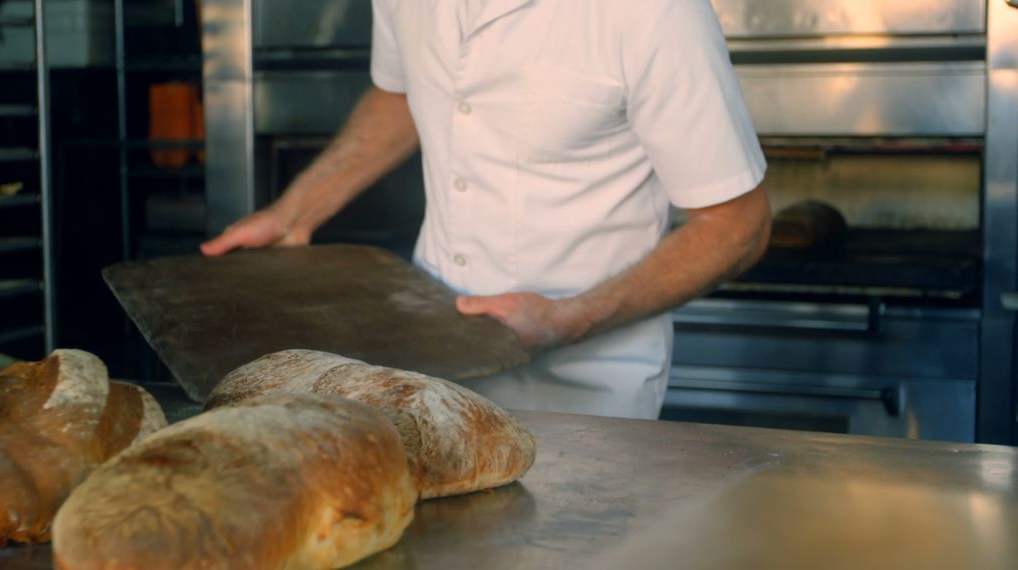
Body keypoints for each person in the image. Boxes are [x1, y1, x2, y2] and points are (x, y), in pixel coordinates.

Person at [201, 0, 771, 420]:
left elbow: (738, 225)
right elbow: (403, 93)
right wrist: (297, 211)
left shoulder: (653, 12)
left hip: (588, 397)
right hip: (426, 365)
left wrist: (568, 319)